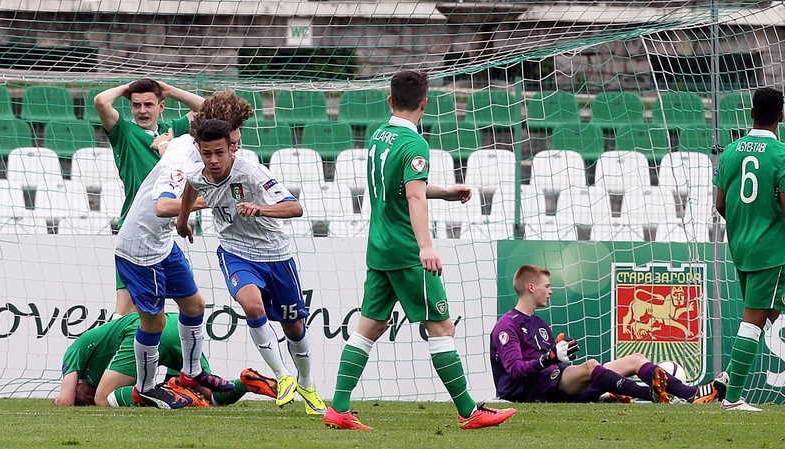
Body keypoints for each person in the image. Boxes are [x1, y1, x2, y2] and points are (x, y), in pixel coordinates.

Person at [322, 70, 516, 431]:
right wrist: (426, 246)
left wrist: (441, 191)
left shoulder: (380, 135)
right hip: (407, 252)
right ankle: (468, 411)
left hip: (379, 248)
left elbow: (400, 187)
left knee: (369, 327)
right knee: (441, 327)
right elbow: (411, 195)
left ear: (390, 100)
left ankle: (339, 407)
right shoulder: (416, 145)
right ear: (425, 103)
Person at [176, 119, 326, 416]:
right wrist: (182, 220)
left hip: (275, 254)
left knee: (294, 325)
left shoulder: (253, 172)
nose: (213, 160)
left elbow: (295, 208)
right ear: (200, 151)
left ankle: (306, 385)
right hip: (235, 252)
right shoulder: (196, 171)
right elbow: (190, 188)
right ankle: (283, 376)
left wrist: (262, 208)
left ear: (231, 149)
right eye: (207, 154)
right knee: (252, 307)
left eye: (219, 152)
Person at [114, 121, 234, 409]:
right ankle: (145, 388)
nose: (233, 148)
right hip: (140, 250)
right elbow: (163, 206)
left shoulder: (183, 142)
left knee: (195, 306)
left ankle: (192, 373)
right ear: (203, 147)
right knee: (154, 322)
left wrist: (162, 142)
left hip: (163, 243)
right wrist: (209, 201)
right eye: (231, 141)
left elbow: (164, 146)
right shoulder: (180, 167)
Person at [490, 265, 727, 405]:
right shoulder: (506, 326)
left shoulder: (540, 324)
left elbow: (550, 363)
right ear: (531, 287)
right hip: (530, 392)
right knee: (591, 366)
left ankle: (692, 393)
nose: (550, 291)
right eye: (547, 286)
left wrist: (559, 356)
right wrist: (551, 358)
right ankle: (652, 394)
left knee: (634, 359)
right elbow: (516, 371)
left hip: (553, 384)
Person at [94, 78, 205, 319]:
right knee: (126, 310)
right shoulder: (124, 132)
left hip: (162, 233)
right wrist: (126, 88)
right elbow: (101, 101)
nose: (142, 110)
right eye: (136, 105)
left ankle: (179, 356)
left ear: (161, 106)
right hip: (135, 231)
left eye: (148, 104)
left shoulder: (172, 130)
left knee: (188, 306)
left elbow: (208, 109)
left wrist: (170, 90)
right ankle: (102, 353)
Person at [714, 86, 785, 412]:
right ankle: (732, 399)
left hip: (741, 247)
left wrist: (746, 225)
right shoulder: (781, 155)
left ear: (752, 113)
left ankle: (730, 374)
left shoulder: (730, 151)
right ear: (781, 117)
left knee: (772, 312)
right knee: (754, 319)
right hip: (771, 251)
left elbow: (721, 203)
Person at [54, 312, 277, 407]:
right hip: (176, 327)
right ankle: (246, 382)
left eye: (80, 395)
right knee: (212, 398)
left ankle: (172, 390)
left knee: (104, 399)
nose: (84, 398)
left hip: (145, 332)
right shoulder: (103, 364)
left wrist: (60, 399)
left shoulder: (74, 351)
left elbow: (65, 401)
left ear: (78, 382)